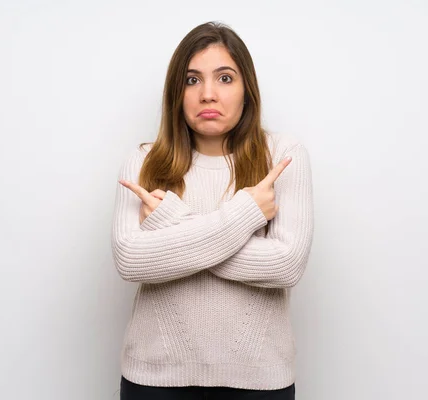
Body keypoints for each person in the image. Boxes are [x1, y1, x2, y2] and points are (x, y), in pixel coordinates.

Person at [111, 21, 314, 400]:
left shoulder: (283, 157)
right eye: (192, 80)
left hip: (259, 381)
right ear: (176, 93)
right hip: (154, 380)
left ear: (246, 90)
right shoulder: (143, 162)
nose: (207, 94)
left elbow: (286, 265)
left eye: (224, 78)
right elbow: (130, 260)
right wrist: (246, 215)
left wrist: (171, 224)